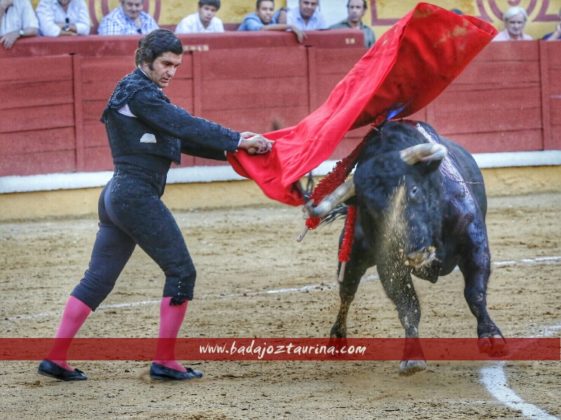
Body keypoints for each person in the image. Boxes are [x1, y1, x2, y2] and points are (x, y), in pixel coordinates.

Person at [37, 29, 273, 382]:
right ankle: (165, 359)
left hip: (117, 195)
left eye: (176, 65)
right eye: (166, 63)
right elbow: (184, 124)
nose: (171, 71)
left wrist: (233, 150)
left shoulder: (135, 92)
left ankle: (55, 357)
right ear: (145, 59)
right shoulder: (142, 94)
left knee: (98, 279)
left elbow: (177, 135)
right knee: (181, 272)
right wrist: (237, 139)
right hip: (135, 195)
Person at [238, 0, 305, 43]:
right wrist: (290, 26)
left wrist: (282, 11)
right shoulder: (250, 19)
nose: (268, 12)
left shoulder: (271, 18)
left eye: (271, 9)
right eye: (264, 9)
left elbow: (280, 11)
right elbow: (261, 29)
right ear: (257, 11)